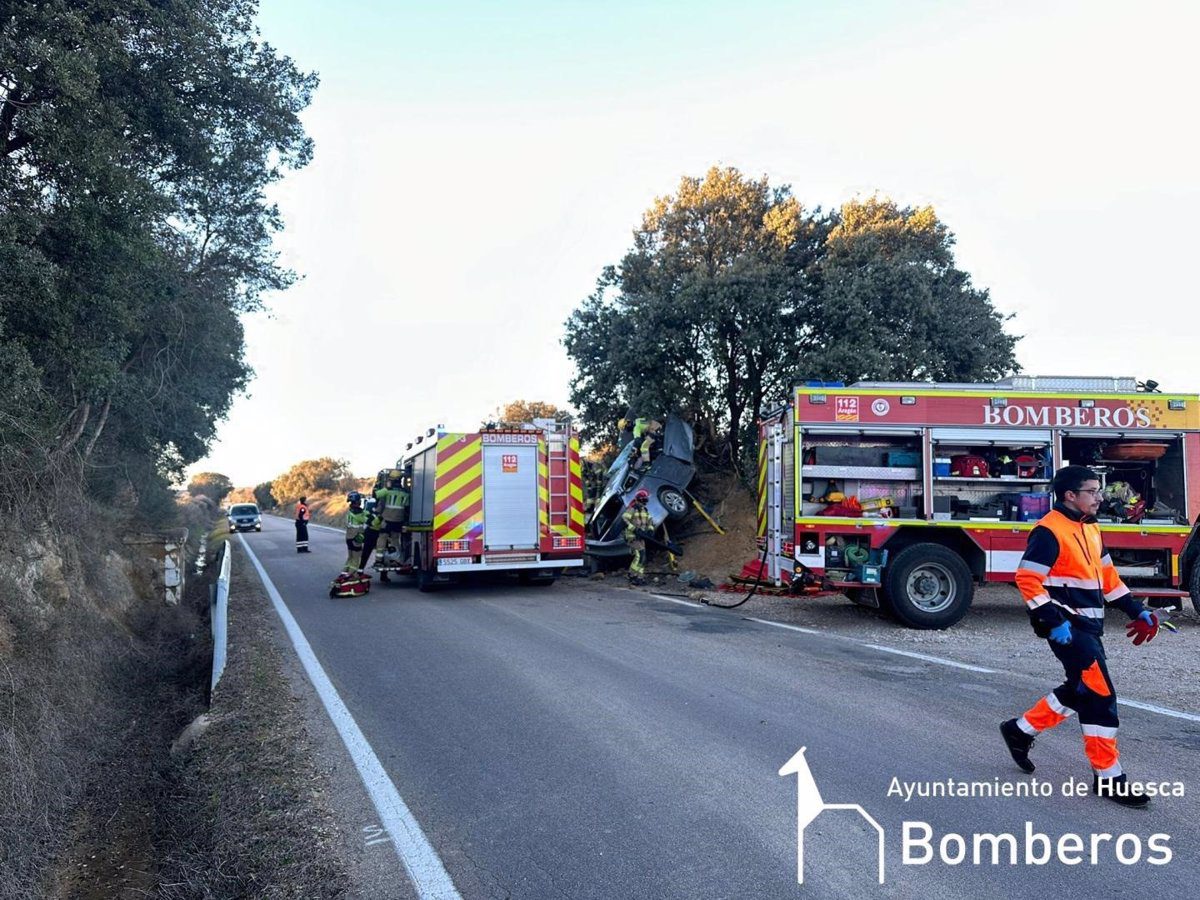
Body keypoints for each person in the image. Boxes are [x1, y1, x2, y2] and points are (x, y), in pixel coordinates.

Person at [1000, 465, 1160, 807]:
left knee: (1081, 689)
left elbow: (1107, 577)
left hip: (1088, 625)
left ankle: (1020, 730)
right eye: (1092, 491)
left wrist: (1136, 610)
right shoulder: (1048, 531)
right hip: (1067, 628)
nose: (1099, 497)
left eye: (1098, 491)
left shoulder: (1090, 528)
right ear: (1070, 495)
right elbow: (1027, 579)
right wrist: (1052, 620)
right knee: (1101, 696)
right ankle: (1110, 778)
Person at [622, 489, 654, 585]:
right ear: (639, 500)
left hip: (642, 537)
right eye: (643, 500)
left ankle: (640, 577)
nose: (645, 503)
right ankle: (632, 575)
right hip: (633, 537)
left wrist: (650, 529)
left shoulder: (644, 510)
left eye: (646, 500)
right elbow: (624, 518)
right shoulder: (632, 509)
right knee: (639, 556)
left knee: (643, 557)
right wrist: (633, 528)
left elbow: (650, 521)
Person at [342, 491, 368, 571]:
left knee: (350, 557)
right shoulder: (358, 514)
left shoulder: (350, 511)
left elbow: (363, 512)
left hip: (349, 537)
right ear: (357, 501)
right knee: (356, 558)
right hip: (356, 538)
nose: (360, 502)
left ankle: (344, 573)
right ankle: (352, 575)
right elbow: (367, 521)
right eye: (359, 500)